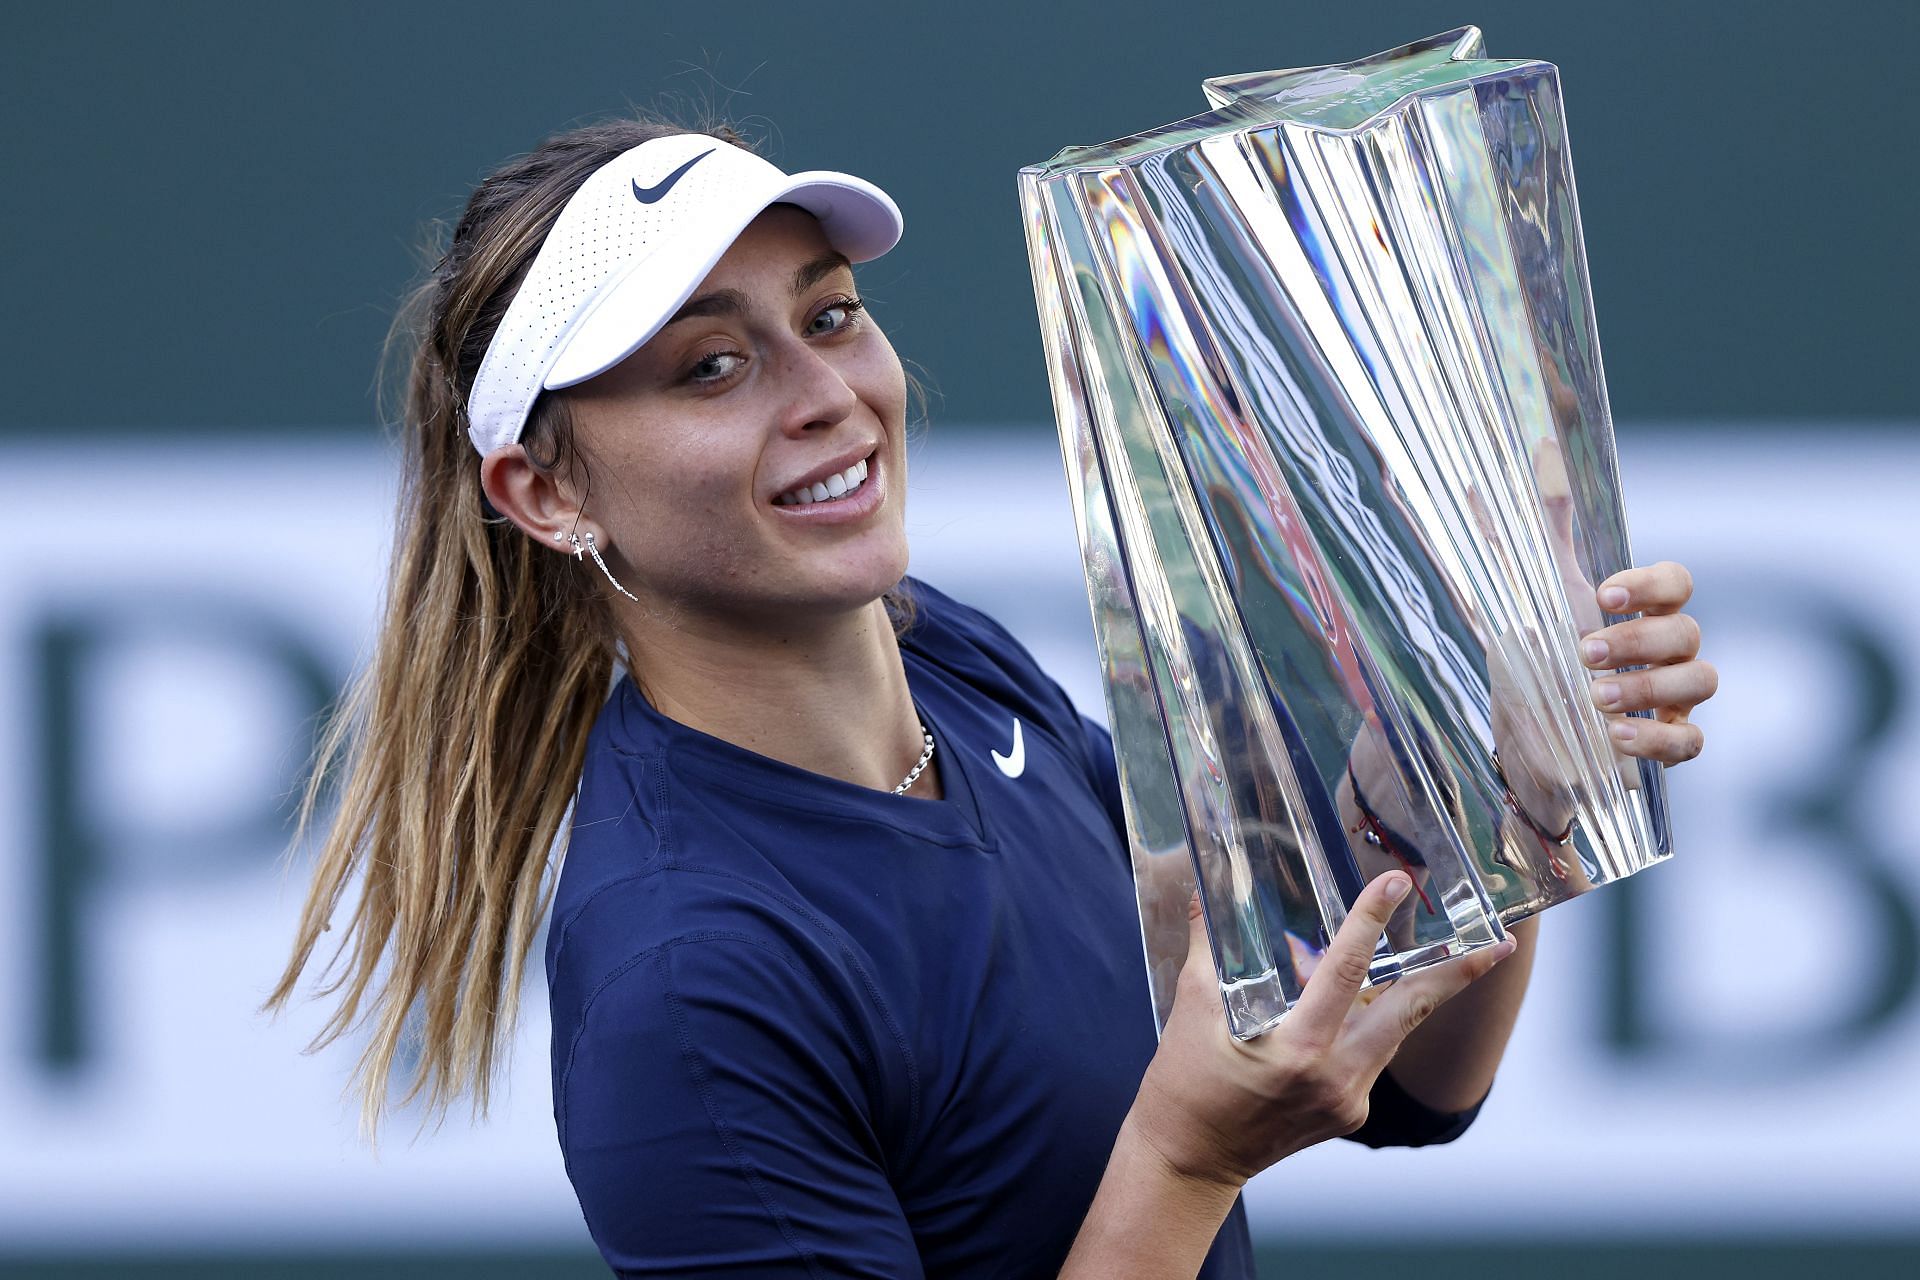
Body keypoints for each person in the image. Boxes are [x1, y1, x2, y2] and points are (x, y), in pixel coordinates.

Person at [267, 115, 1718, 1278]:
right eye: (713, 365)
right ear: (546, 493)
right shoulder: (689, 989)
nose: (824, 391)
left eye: (829, 317)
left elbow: (1411, 1096)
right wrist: (1185, 1163)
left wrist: (1504, 806)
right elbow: (1199, 1130)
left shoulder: (946, 664)